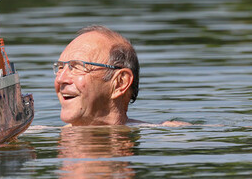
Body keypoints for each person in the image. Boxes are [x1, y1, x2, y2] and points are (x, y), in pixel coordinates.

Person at [54, 25, 187, 127]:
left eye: (77, 67)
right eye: (60, 68)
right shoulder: (44, 132)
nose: (60, 79)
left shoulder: (168, 134)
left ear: (120, 82)